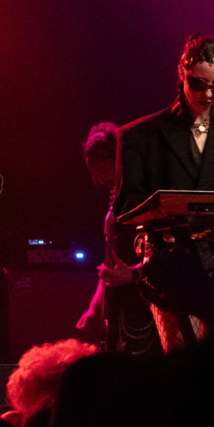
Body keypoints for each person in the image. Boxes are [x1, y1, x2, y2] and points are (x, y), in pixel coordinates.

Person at [113, 33, 214, 351]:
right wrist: (167, 209)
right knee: (184, 358)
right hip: (172, 259)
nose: (209, 93)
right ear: (181, 74)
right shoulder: (140, 137)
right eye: (198, 84)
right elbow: (126, 206)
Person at [75, 123, 160, 356]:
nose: (98, 180)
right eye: (93, 173)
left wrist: (133, 274)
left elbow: (171, 258)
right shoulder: (113, 212)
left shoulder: (148, 202)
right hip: (119, 314)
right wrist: (94, 307)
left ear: (120, 161)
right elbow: (111, 268)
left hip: (151, 312)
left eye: (103, 169)